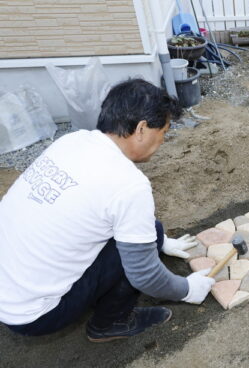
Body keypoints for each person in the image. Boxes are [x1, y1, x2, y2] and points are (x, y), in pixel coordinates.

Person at [0, 79, 215, 342]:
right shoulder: (128, 184)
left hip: (9, 288)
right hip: (35, 314)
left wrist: (160, 242)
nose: (162, 142)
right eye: (164, 133)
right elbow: (145, 276)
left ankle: (92, 292)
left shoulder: (73, 141)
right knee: (146, 244)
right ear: (141, 129)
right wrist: (187, 289)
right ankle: (109, 323)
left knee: (152, 233)